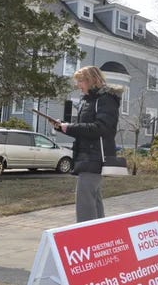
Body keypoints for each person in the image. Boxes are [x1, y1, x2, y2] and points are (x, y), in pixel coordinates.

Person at [54, 66, 122, 222]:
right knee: (94, 200)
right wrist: (63, 127)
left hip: (96, 158)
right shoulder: (88, 101)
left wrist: (70, 127)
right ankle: (100, 236)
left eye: (80, 81)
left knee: (85, 201)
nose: (78, 85)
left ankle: (86, 236)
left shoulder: (106, 100)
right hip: (86, 157)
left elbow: (101, 128)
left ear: (92, 80)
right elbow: (84, 130)